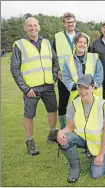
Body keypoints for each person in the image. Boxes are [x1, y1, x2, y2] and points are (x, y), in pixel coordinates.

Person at [10, 17, 59, 155]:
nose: (33, 28)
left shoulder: (47, 42)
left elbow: (55, 62)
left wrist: (53, 78)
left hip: (48, 85)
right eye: (29, 26)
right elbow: (14, 69)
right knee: (29, 114)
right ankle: (30, 141)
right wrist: (26, 89)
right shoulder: (19, 44)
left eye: (35, 25)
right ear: (25, 28)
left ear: (39, 26)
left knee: (52, 109)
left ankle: (52, 134)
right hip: (31, 88)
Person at [57, 74, 105, 183]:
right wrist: (61, 132)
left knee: (96, 175)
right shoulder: (73, 104)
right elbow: (70, 127)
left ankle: (103, 158)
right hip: (82, 138)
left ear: (93, 87)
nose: (82, 91)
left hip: (98, 142)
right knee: (65, 139)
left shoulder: (103, 104)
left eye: (86, 88)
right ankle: (74, 169)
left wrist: (100, 155)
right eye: (79, 87)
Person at [52, 12, 90, 129]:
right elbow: (53, 56)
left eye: (72, 21)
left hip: (81, 76)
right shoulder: (57, 37)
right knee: (63, 103)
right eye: (68, 22)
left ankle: (82, 126)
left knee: (83, 102)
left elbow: (90, 56)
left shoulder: (85, 36)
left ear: (75, 22)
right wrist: (57, 70)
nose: (70, 24)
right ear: (64, 23)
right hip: (64, 77)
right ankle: (64, 128)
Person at [62, 33, 103, 101]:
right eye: (80, 42)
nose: (82, 45)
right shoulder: (68, 60)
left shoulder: (95, 57)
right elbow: (66, 77)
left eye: (85, 43)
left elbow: (99, 76)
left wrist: (90, 87)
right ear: (75, 44)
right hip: (76, 95)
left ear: (87, 45)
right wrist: (76, 87)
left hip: (94, 95)